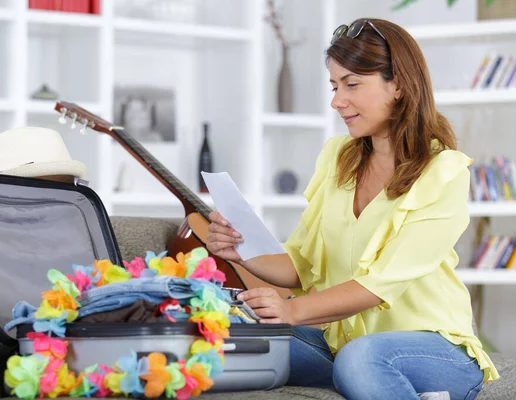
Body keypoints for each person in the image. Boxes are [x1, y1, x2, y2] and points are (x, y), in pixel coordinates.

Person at [206, 18, 498, 400]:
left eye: (352, 84)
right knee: (232, 335)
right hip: (343, 344)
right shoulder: (337, 157)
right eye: (334, 85)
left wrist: (293, 311)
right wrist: (240, 251)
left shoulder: (444, 172)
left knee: (361, 359)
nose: (336, 100)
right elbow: (302, 264)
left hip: (436, 350)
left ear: (398, 85)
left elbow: (379, 284)